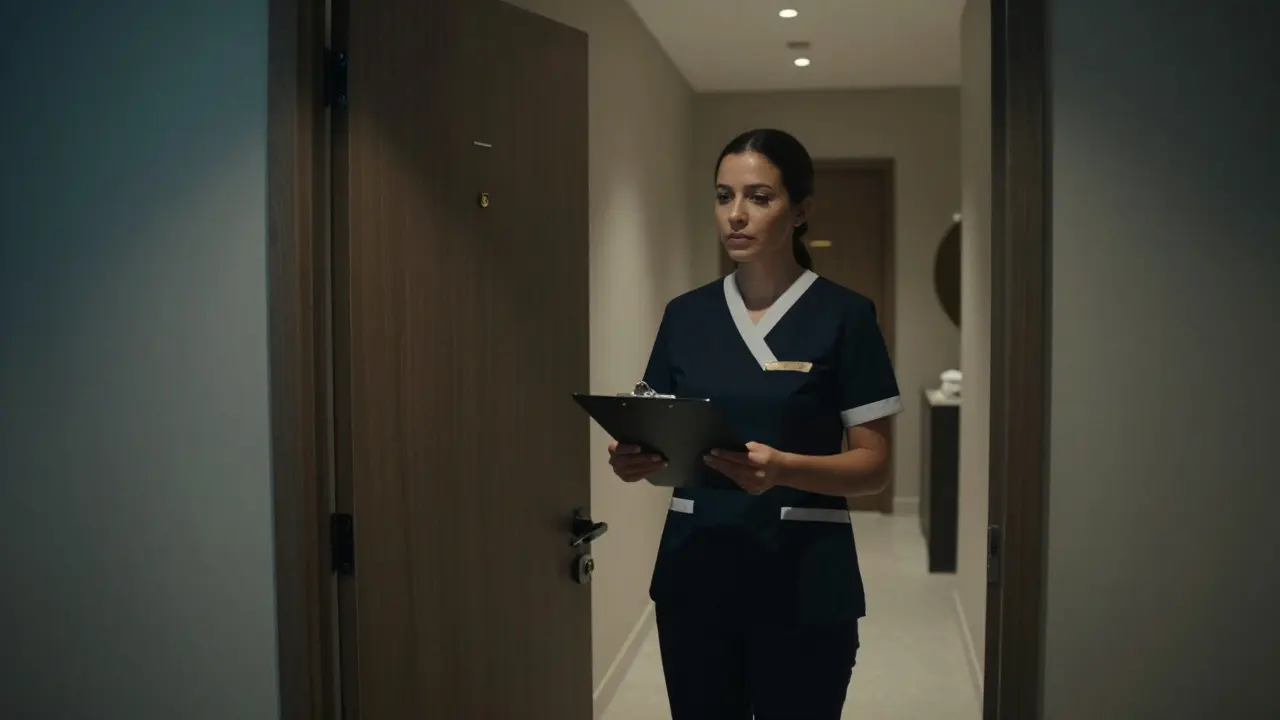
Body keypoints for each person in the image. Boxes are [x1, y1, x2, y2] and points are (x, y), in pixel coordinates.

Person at [606, 128, 902, 720]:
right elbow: (661, 433)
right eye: (723, 196)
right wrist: (632, 461)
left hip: (805, 582)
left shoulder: (846, 316)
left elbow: (875, 467)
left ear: (801, 211)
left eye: (759, 197)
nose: (736, 215)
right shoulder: (686, 316)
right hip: (696, 578)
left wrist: (785, 469)